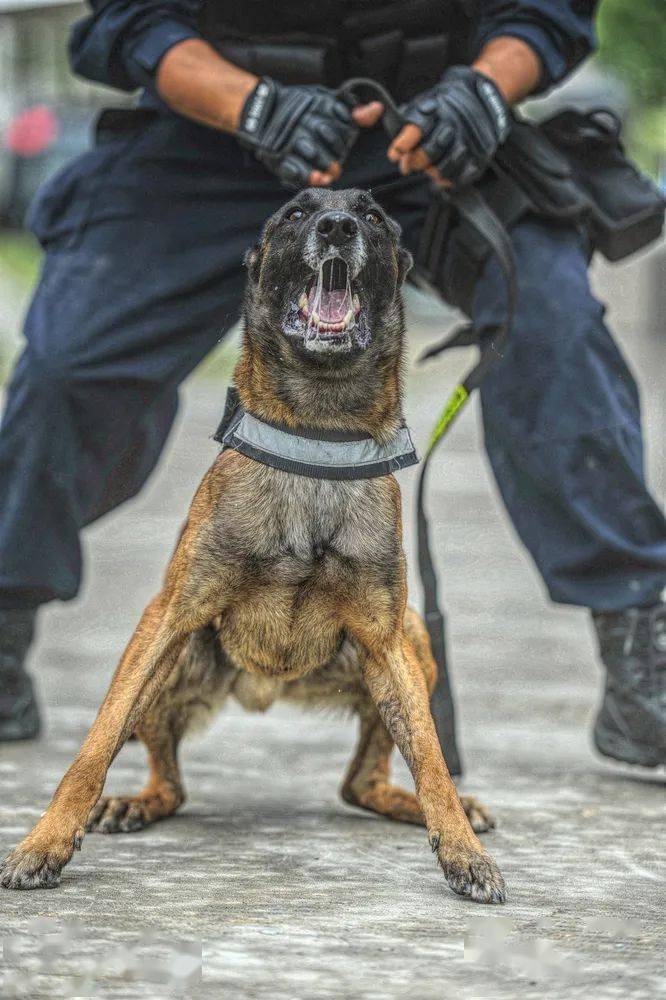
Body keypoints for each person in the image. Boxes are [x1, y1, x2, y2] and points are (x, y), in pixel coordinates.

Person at [0, 1, 664, 767]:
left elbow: (546, 12)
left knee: (551, 321)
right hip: (214, 134)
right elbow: (134, 20)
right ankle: (8, 605)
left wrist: (483, 92)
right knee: (70, 360)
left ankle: (638, 639)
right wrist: (253, 106)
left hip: (427, 133)